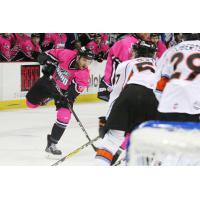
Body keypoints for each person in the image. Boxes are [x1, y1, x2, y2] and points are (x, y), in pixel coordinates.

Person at [95, 40, 158, 165]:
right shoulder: (160, 65)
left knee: (112, 140)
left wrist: (110, 118)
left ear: (136, 51)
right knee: (146, 142)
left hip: (131, 93)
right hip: (154, 99)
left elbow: (117, 93)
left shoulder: (126, 64)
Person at [26, 47, 94, 155]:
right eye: (84, 60)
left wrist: (67, 97)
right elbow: (48, 54)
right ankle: (47, 98)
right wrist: (44, 59)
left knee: (65, 116)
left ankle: (52, 143)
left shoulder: (84, 75)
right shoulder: (66, 54)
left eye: (89, 61)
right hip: (49, 82)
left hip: (62, 93)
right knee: (30, 104)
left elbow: (74, 92)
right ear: (78, 57)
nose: (86, 64)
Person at [155, 33, 200, 122]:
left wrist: (162, 101)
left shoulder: (170, 51)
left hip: (169, 103)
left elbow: (158, 80)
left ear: (182, 36)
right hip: (195, 105)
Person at [97, 33, 150, 102]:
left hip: (126, 85)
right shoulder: (127, 43)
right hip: (118, 86)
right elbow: (125, 68)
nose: (148, 33)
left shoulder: (140, 43)